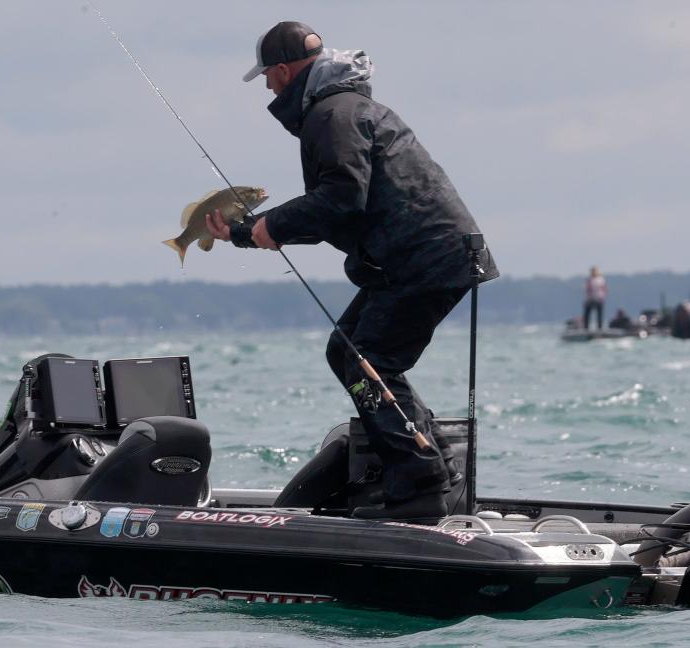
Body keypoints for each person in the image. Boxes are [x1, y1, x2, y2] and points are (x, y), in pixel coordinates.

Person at [205, 22, 499, 520]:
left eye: (269, 80)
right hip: (424, 257)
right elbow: (338, 208)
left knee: (369, 359)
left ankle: (419, 484)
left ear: (282, 70)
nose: (270, 90)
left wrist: (272, 222)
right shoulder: (342, 107)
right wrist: (248, 231)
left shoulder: (331, 114)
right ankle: (432, 466)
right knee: (349, 351)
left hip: (423, 259)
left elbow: (341, 197)